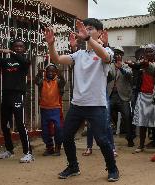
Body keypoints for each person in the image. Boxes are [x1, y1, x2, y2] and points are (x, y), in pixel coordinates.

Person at [44, 18, 119, 181]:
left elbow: (104, 55)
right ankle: (73, 166)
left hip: (96, 105)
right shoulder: (78, 55)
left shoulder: (106, 52)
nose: (87, 31)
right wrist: (51, 44)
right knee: (66, 136)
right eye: (85, 29)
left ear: (100, 32)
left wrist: (88, 39)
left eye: (91, 29)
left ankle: (112, 168)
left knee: (102, 139)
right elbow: (57, 59)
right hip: (77, 105)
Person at [0, 40, 34, 163]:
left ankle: (28, 153)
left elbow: (24, 62)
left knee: (20, 124)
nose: (18, 48)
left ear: (24, 49)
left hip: (17, 95)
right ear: (13, 47)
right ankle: (9, 150)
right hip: (6, 95)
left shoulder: (24, 61)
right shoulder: (7, 62)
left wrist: (11, 52)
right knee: (5, 125)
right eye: (16, 46)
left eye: (21, 46)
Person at [129, 44, 155, 153]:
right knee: (142, 122)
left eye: (151, 51)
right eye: (146, 52)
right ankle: (141, 145)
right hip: (143, 94)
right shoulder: (141, 64)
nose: (148, 53)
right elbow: (135, 69)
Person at [35, 64, 65, 156]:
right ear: (46, 72)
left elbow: (63, 82)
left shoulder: (58, 81)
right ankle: (49, 147)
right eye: (49, 71)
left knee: (58, 129)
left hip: (56, 109)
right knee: (45, 130)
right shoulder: (42, 81)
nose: (50, 73)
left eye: (53, 71)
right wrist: (39, 74)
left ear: (56, 72)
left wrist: (60, 74)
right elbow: (36, 81)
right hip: (44, 109)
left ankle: (58, 148)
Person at [107, 46, 134, 147]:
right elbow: (107, 75)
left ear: (122, 55)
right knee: (107, 115)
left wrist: (121, 68)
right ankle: (108, 137)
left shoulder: (126, 65)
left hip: (123, 96)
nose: (117, 56)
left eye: (119, 54)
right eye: (116, 54)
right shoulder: (109, 65)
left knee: (127, 116)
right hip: (111, 95)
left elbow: (129, 75)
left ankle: (130, 138)